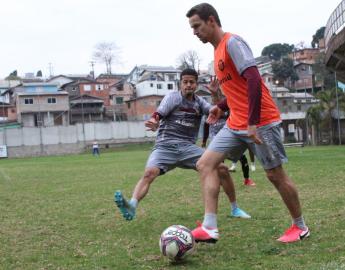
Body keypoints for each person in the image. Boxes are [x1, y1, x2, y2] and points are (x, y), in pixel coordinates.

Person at [186, 3, 309, 243]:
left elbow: (253, 79)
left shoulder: (233, 43)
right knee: (205, 164)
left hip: (260, 122)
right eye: (192, 28)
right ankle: (210, 226)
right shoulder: (217, 51)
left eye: (197, 26)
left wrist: (253, 122)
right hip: (235, 123)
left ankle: (300, 226)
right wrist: (219, 107)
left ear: (211, 21)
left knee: (275, 176)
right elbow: (236, 91)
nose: (194, 32)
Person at [114, 68, 251, 222]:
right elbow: (159, 113)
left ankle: (235, 209)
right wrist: (153, 121)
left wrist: (214, 94)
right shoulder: (172, 98)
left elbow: (218, 112)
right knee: (149, 173)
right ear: (180, 84)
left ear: (196, 85)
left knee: (222, 169)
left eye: (191, 82)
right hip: (165, 146)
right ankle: (132, 205)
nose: (188, 85)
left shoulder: (200, 103)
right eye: (185, 82)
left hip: (188, 148)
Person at [201, 78, 256, 186]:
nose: (214, 100)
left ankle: (247, 179)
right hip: (215, 137)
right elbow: (206, 125)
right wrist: (204, 140)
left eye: (217, 96)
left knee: (242, 158)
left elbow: (221, 104)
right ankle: (219, 181)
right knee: (217, 162)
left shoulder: (226, 107)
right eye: (212, 98)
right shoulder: (209, 110)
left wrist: (216, 93)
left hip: (229, 136)